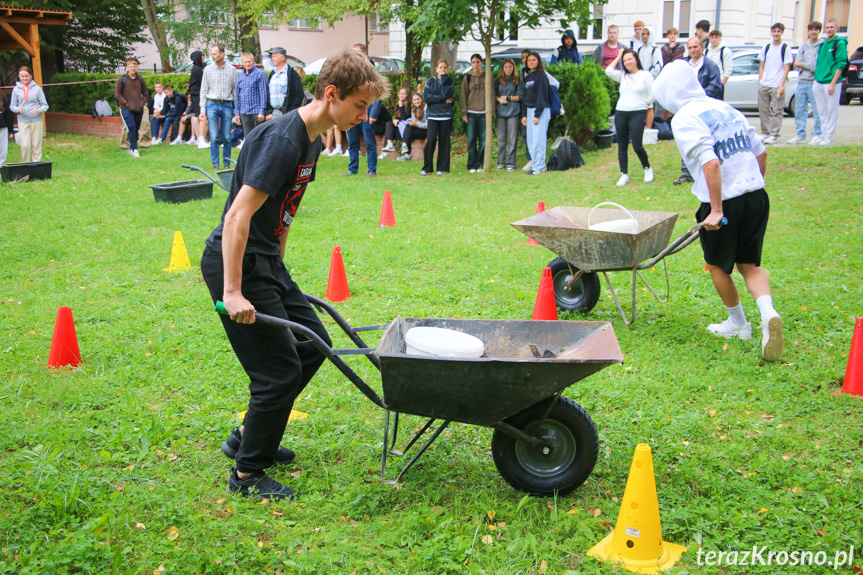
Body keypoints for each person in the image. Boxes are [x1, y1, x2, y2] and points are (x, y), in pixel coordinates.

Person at [200, 49, 389, 501]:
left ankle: (248, 434)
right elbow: (236, 217)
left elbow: (287, 205)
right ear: (331, 95)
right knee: (278, 371)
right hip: (238, 261)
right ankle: (247, 474)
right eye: (360, 105)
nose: (365, 116)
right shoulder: (284, 139)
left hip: (266, 261)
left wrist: (279, 259)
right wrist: (232, 291)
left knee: (312, 344)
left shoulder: (314, 139)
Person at [653, 60, 783, 362]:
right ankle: (768, 314)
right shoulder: (725, 108)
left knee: (718, 266)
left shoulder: (685, 118)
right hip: (755, 196)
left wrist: (715, 209)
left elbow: (710, 163)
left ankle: (739, 324)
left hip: (725, 203)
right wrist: (754, 184)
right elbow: (760, 151)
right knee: (749, 265)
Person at [672, 37, 723, 185]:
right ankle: (687, 172)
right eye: (690, 48)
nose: (693, 50)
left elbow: (716, 86)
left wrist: (700, 98)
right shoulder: (686, 66)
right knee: (686, 138)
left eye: (695, 47)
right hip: (687, 108)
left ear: (701, 47)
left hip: (704, 108)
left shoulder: (710, 66)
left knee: (706, 139)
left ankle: (710, 169)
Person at [606, 49, 655, 186]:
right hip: (621, 112)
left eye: (630, 59)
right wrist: (619, 56)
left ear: (636, 59)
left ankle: (647, 168)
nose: (627, 62)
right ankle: (624, 173)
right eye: (625, 60)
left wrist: (645, 103)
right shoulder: (623, 75)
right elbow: (608, 71)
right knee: (622, 145)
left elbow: (654, 92)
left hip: (638, 112)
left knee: (637, 145)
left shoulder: (645, 75)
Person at [344, 43, 382, 177]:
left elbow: (378, 94)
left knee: (369, 142)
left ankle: (372, 170)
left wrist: (373, 114)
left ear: (364, 54)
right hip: (353, 111)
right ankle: (352, 168)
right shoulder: (350, 70)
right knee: (352, 142)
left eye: (357, 53)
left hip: (368, 112)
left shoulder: (372, 71)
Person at [199, 44, 238, 170]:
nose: (212, 55)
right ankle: (215, 164)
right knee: (214, 136)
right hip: (212, 104)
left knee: (227, 136)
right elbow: (203, 90)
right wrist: (202, 110)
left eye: (215, 53)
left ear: (222, 54)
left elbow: (235, 90)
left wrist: (236, 110)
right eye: (211, 53)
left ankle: (226, 163)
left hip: (227, 104)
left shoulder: (231, 69)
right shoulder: (208, 70)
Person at [756, 23, 793, 144]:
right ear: (771, 32)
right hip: (764, 83)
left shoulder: (785, 48)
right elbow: (761, 65)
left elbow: (786, 67)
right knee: (763, 109)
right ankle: (765, 132)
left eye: (778, 31)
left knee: (777, 110)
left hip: (777, 84)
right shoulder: (766, 47)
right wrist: (760, 81)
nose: (776, 33)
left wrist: (781, 85)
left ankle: (773, 134)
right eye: (774, 31)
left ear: (782, 32)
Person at [814, 18, 848, 147]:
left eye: (832, 27)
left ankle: (829, 136)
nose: (829, 30)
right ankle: (823, 134)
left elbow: (841, 63)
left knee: (831, 110)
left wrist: (833, 83)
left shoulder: (839, 43)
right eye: (827, 27)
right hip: (819, 80)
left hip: (831, 81)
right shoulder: (823, 44)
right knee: (821, 110)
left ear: (837, 28)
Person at [789, 21, 823, 145]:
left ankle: (817, 134)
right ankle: (800, 134)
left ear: (819, 31)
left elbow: (815, 66)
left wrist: (802, 64)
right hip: (801, 82)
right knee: (799, 110)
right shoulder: (803, 47)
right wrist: (802, 65)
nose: (813, 32)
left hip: (815, 82)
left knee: (817, 110)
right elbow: (796, 66)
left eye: (816, 29)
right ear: (808, 31)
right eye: (811, 29)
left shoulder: (822, 46)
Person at [422, 59, 455, 176]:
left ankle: (442, 168)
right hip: (433, 116)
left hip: (446, 116)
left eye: (445, 67)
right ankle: (427, 167)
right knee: (431, 140)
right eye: (440, 67)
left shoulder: (450, 81)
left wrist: (438, 96)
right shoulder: (430, 81)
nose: (443, 70)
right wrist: (442, 99)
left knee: (444, 142)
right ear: (436, 69)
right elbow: (427, 97)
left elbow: (447, 94)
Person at [112, 57, 149, 158]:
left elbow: (146, 93)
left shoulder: (140, 80)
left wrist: (142, 102)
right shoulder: (122, 79)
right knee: (131, 126)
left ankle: (133, 146)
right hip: (126, 108)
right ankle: (134, 149)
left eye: (134, 66)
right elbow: (117, 94)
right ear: (127, 67)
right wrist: (126, 103)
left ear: (137, 68)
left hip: (138, 108)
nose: (132, 68)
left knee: (136, 128)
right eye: (130, 66)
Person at [521, 51, 550, 175]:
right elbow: (525, 97)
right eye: (529, 60)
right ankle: (535, 165)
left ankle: (539, 167)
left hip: (540, 111)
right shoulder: (527, 77)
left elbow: (542, 96)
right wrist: (524, 115)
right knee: (531, 140)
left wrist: (537, 114)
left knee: (539, 140)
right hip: (529, 110)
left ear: (538, 61)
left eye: (533, 60)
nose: (531, 62)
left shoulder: (541, 76)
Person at [234, 52, 268, 146]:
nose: (247, 64)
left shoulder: (260, 74)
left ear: (253, 61)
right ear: (242, 63)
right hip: (244, 112)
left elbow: (263, 93)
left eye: (249, 61)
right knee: (248, 138)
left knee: (258, 138)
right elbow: (238, 95)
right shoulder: (240, 76)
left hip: (256, 112)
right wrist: (237, 113)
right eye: (245, 62)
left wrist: (262, 111)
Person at [495, 58, 522, 172]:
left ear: (513, 68)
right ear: (503, 68)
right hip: (500, 112)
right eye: (506, 67)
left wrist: (508, 98)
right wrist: (499, 99)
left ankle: (511, 162)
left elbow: (520, 96)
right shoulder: (498, 80)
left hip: (513, 112)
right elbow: (494, 94)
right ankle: (500, 162)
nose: (508, 69)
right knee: (501, 139)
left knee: (512, 138)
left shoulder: (517, 80)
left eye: (510, 67)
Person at [461, 53, 486, 173]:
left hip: (484, 113)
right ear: (471, 64)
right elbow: (463, 96)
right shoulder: (468, 77)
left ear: (481, 63)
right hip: (471, 113)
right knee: (471, 140)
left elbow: (491, 93)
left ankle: (480, 163)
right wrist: (464, 113)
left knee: (483, 140)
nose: (476, 64)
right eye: (473, 62)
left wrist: (491, 112)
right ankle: (471, 165)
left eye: (478, 62)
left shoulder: (487, 76)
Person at [265, 47, 304, 120]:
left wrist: (291, 110)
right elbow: (268, 93)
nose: (272, 58)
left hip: (286, 113)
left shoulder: (291, 74)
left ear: (282, 57)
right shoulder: (272, 74)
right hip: (273, 113)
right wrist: (268, 112)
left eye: (274, 56)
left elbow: (299, 94)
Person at [397, 92, 428, 161]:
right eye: (414, 100)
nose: (416, 101)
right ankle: (405, 149)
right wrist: (413, 123)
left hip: (426, 131)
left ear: (421, 99)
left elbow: (428, 125)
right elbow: (413, 122)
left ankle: (406, 152)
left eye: (418, 99)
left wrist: (417, 124)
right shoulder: (413, 108)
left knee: (408, 130)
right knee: (408, 127)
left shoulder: (426, 108)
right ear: (412, 101)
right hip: (418, 129)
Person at [187, 51, 207, 148]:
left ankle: (200, 138)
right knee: (201, 117)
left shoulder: (195, 68)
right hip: (197, 95)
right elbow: (203, 83)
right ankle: (200, 138)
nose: (203, 61)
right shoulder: (198, 69)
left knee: (198, 117)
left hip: (195, 95)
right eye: (202, 59)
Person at [382, 87, 410, 155]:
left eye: (404, 94)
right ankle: (389, 145)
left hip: (405, 130)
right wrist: (395, 120)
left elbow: (404, 118)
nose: (401, 95)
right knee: (389, 124)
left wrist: (401, 107)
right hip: (399, 127)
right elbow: (398, 117)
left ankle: (386, 151)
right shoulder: (399, 104)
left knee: (389, 129)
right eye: (400, 93)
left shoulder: (410, 105)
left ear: (407, 95)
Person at [519, 49, 533, 171]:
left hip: (534, 106)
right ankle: (530, 158)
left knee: (535, 133)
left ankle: (535, 158)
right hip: (524, 105)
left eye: (527, 58)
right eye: (523, 58)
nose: (525, 60)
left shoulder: (538, 73)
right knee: (525, 134)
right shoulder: (522, 72)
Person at [0, 92, 16, 166]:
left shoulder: (3, 97)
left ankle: (1, 168)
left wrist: (10, 130)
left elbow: (8, 115)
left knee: (3, 151)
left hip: (3, 128)